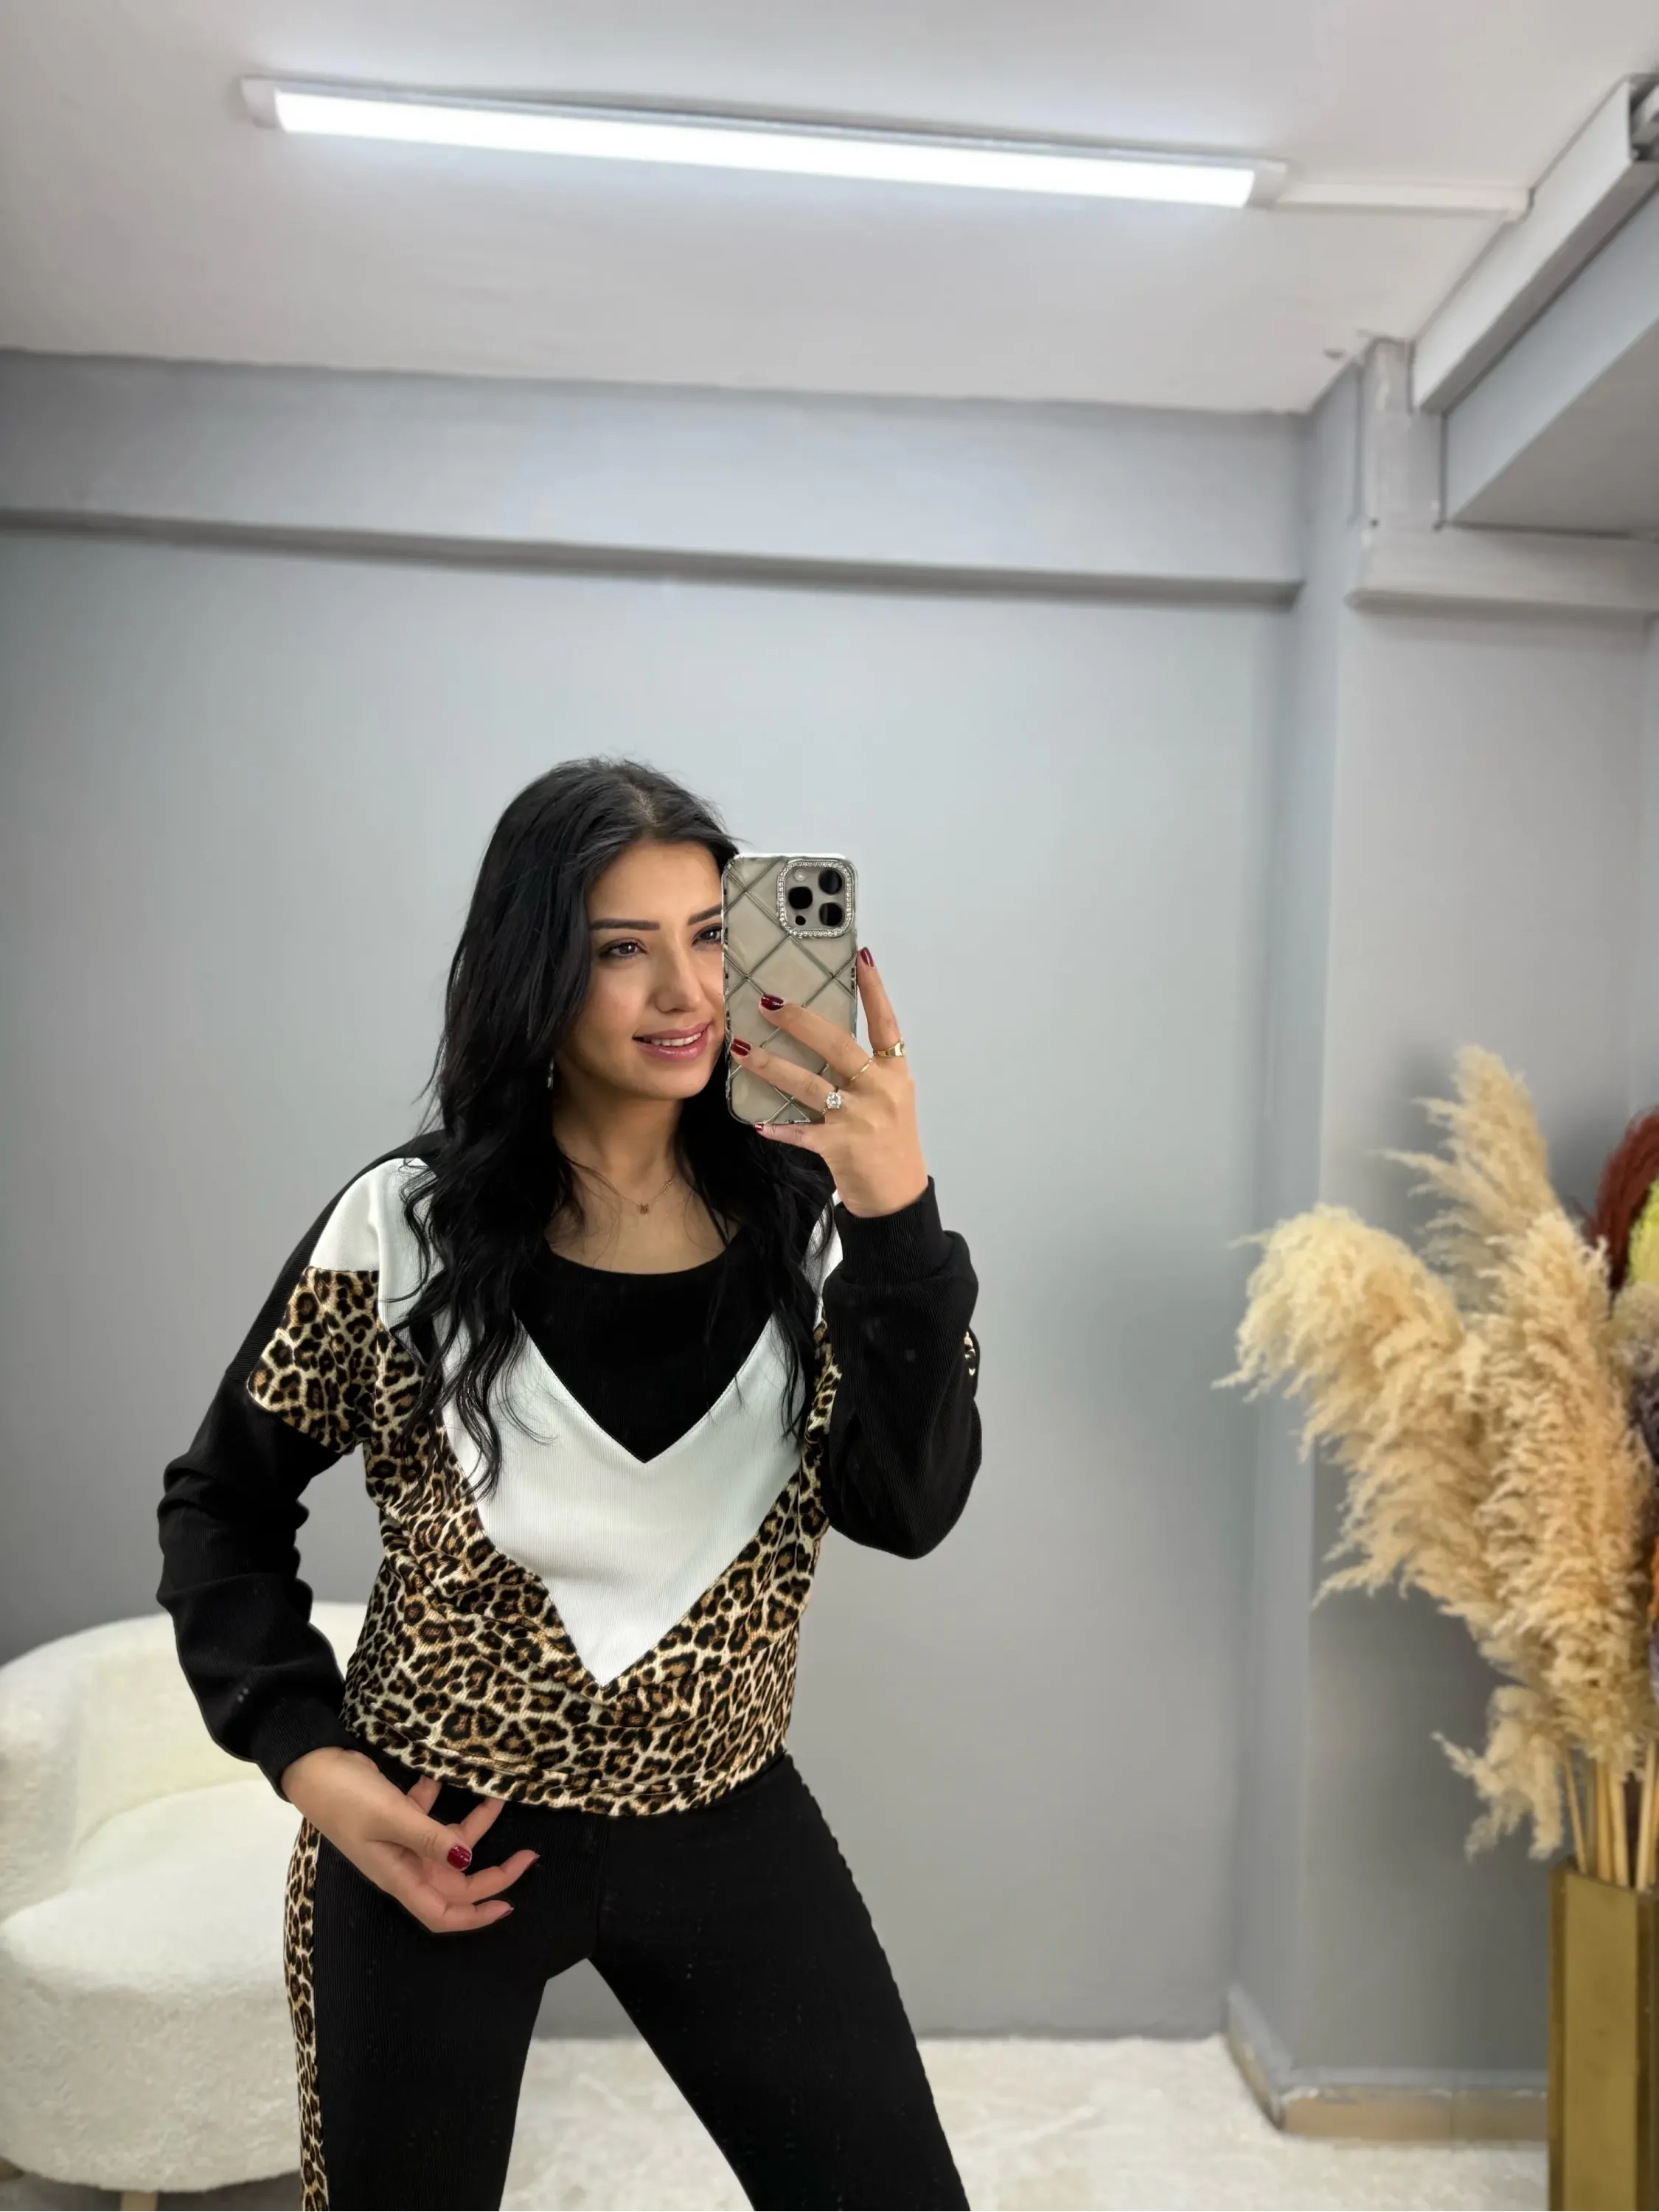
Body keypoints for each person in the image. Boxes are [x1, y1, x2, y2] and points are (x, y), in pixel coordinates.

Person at [156, 757, 983, 2212]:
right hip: (438, 1834)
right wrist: (311, 1762)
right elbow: (220, 1503)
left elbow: (904, 1512)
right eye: (620, 949)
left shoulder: (816, 1224)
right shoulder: (403, 1225)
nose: (685, 991)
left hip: (723, 1811)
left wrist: (899, 1214)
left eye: (710, 935)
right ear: (536, 969)